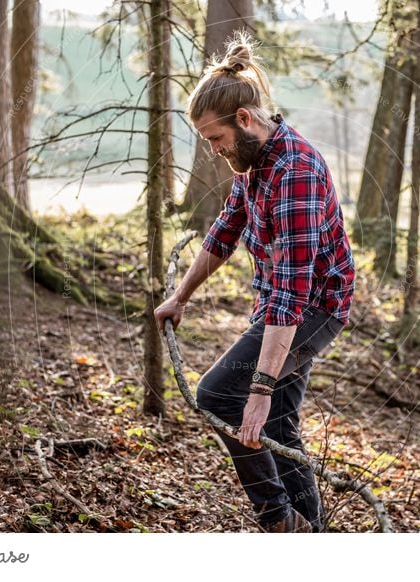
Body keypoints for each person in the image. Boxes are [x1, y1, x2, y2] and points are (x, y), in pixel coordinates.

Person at [154, 32, 355, 533]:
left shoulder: (296, 171)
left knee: (220, 395)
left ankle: (281, 525)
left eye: (215, 139)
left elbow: (291, 292)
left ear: (244, 120)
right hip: (283, 304)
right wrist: (180, 297)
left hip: (314, 309)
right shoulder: (254, 164)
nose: (215, 151)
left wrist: (260, 388)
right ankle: (313, 535)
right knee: (282, 427)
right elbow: (225, 231)